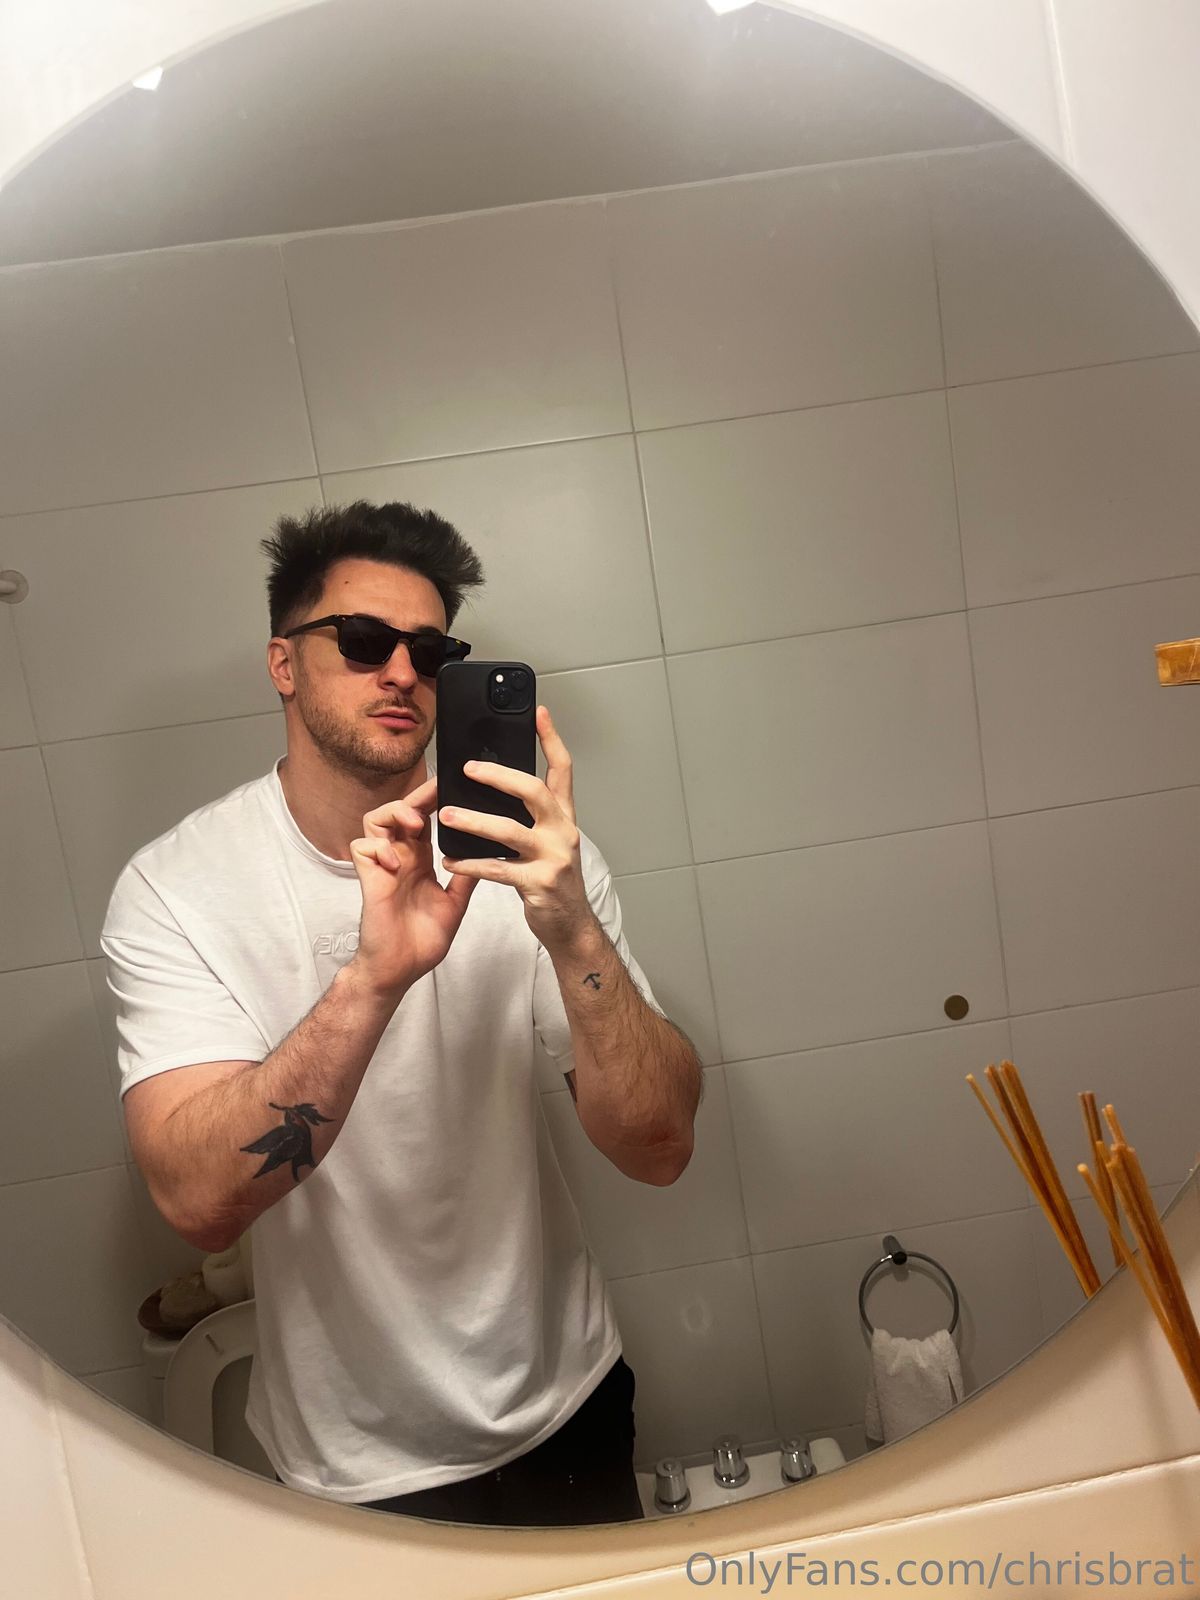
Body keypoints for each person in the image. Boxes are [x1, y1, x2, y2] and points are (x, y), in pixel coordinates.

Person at [103, 500, 703, 1527]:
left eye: (429, 652)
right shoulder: (178, 890)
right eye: (362, 640)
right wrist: (373, 980)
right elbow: (198, 1202)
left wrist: (569, 928)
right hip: (356, 1464)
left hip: (568, 1403)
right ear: (283, 662)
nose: (400, 672)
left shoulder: (533, 865)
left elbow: (659, 1147)